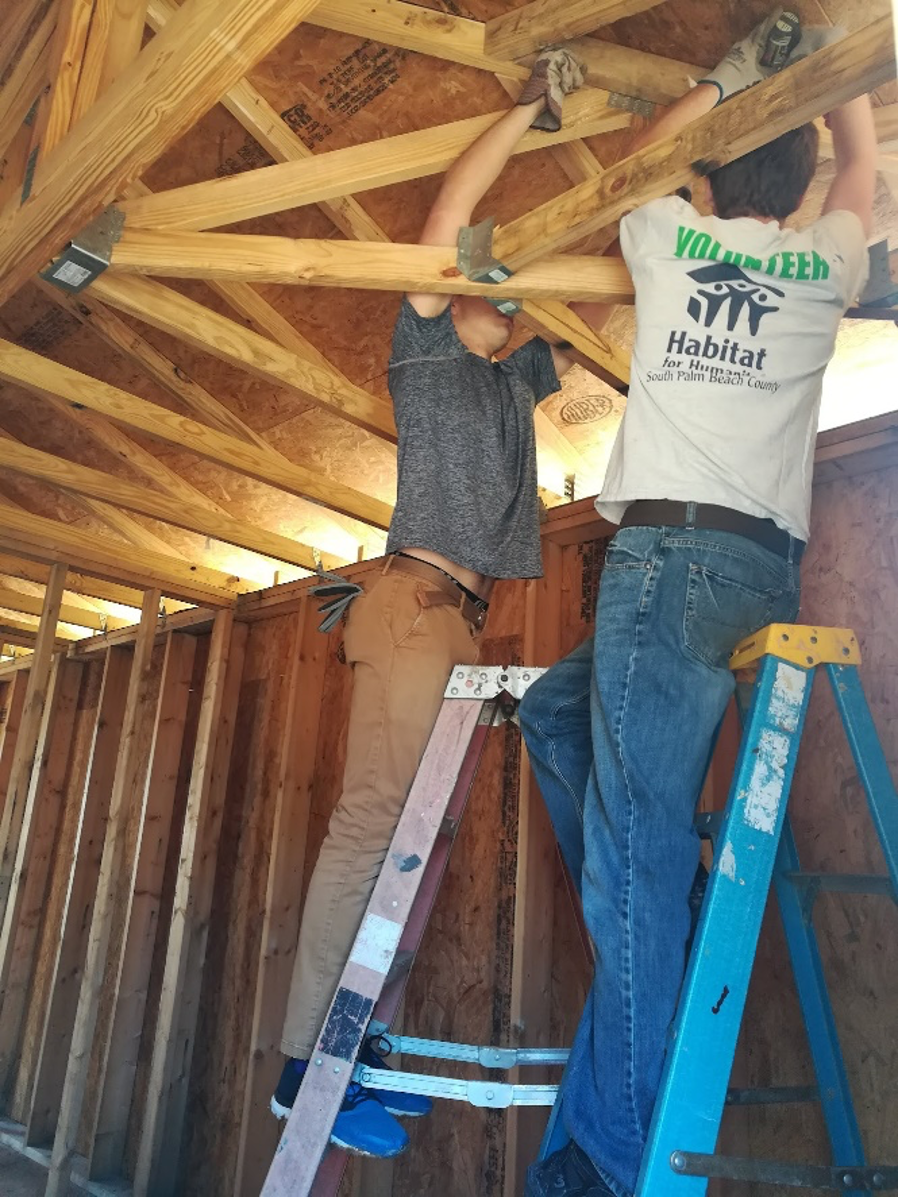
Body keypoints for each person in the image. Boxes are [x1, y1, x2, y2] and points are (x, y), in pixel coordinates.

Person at [520, 12, 876, 1197]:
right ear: (795, 184)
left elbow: (645, 161)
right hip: (755, 577)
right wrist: (838, 90)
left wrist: (725, 79)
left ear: (708, 177)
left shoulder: (665, 237)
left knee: (637, 864)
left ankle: (612, 1162)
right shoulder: (827, 260)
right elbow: (861, 168)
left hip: (663, 568)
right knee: (549, 719)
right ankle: (641, 920)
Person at [270, 46, 610, 1159]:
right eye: (485, 292)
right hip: (414, 605)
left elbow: (598, 254)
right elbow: (449, 216)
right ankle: (298, 1067)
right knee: (371, 827)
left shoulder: (509, 378)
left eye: (506, 303)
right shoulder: (423, 349)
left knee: (407, 846)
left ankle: (354, 1043)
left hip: (454, 619)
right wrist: (527, 114)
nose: (499, 306)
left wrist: (647, 182)